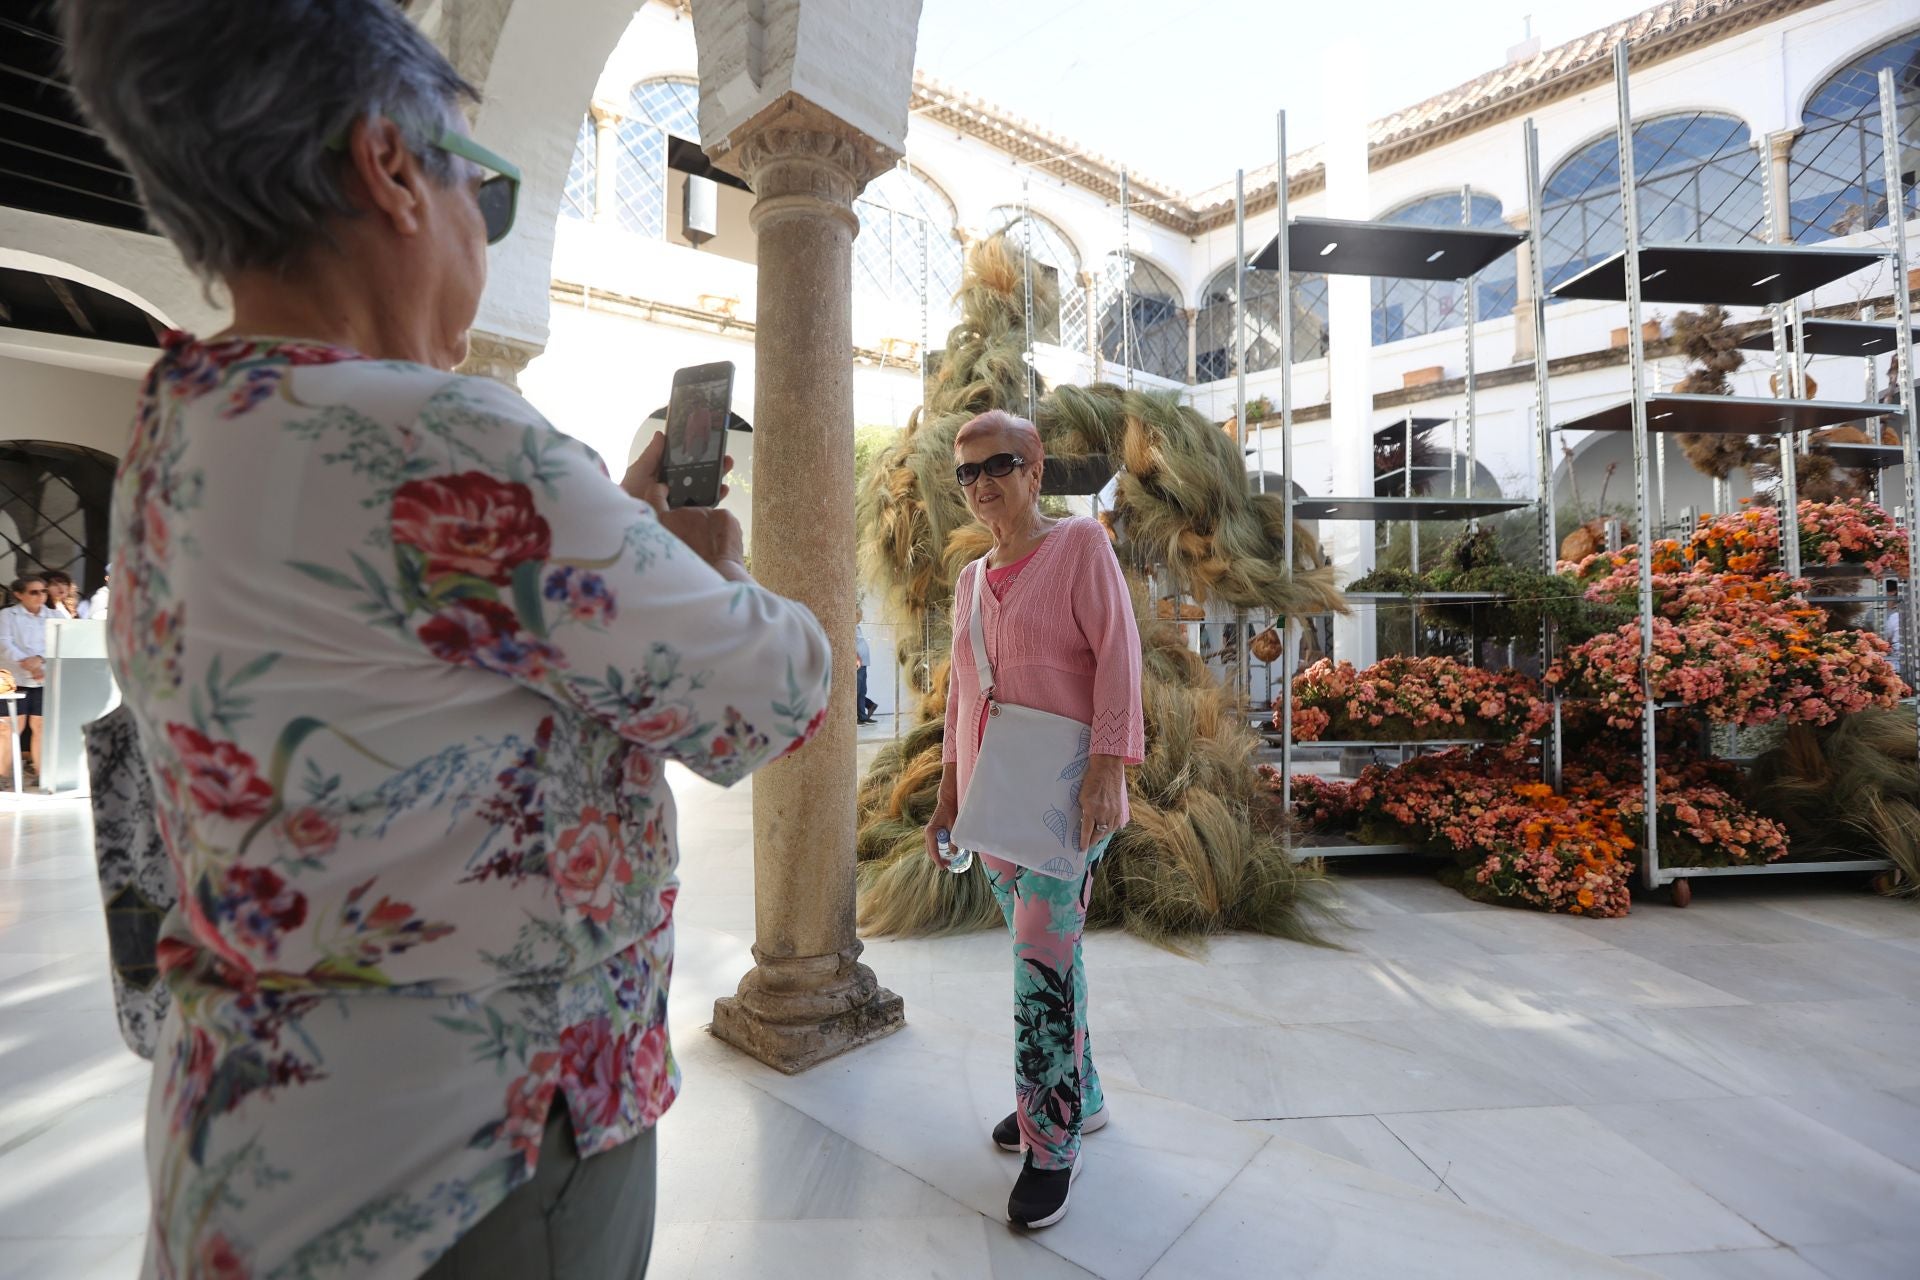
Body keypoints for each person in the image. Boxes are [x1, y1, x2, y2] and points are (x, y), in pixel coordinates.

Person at [60, 3, 833, 1277]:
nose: (487, 229)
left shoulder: (178, 433)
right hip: (471, 1169)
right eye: (491, 191)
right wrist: (704, 566)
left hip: (251, 1148)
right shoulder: (456, 445)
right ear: (390, 166)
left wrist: (605, 551)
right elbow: (771, 689)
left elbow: (406, 656)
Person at [924, 409, 1144, 1229]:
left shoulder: (1081, 546)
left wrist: (1106, 771)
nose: (982, 484)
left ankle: (1050, 1145)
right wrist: (950, 797)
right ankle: (1076, 1098)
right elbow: (961, 696)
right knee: (1050, 960)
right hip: (993, 801)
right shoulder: (972, 579)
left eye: (998, 465)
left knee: (1037, 971)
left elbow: (1120, 655)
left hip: (1064, 796)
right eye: (968, 473)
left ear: (1036, 468)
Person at [0, 574, 51, 785]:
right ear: (19, 594)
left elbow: (61, 642)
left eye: (43, 591)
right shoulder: (7, 615)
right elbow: (4, 643)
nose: (40, 596)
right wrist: (27, 663)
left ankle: (42, 774)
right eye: (34, 592)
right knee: (8, 726)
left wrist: (39, 660)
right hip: (15, 677)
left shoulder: (55, 615)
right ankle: (2, 774)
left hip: (44, 678)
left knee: (41, 726)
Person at [855, 606, 877, 724]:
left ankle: (862, 716)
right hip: (858, 663)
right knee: (857, 690)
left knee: (862, 690)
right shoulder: (851, 627)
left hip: (864, 663)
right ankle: (860, 716)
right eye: (859, 615)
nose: (860, 617)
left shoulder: (857, 627)